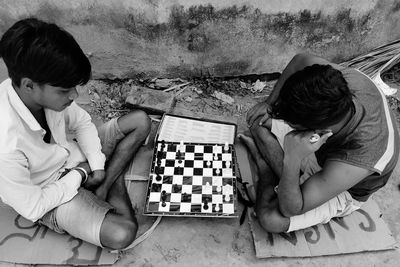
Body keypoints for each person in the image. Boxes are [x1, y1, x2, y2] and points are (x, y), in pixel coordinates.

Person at [0, 18, 151, 249]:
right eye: (64, 90)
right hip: (50, 193)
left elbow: (82, 122)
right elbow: (34, 207)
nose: (73, 96)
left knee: (140, 121)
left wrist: (98, 167)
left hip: (75, 158)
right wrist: (81, 172)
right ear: (29, 85)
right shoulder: (6, 146)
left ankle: (107, 179)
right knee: (122, 234)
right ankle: (115, 174)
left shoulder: (48, 94)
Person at [242, 53, 399, 233]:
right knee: (258, 121)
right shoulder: (338, 83)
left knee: (271, 219)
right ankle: (291, 178)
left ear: (316, 132)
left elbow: (290, 209)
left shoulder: (360, 155)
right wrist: (268, 104)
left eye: (293, 126)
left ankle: (266, 168)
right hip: (325, 147)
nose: (288, 126)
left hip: (347, 184)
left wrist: (292, 158)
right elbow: (300, 60)